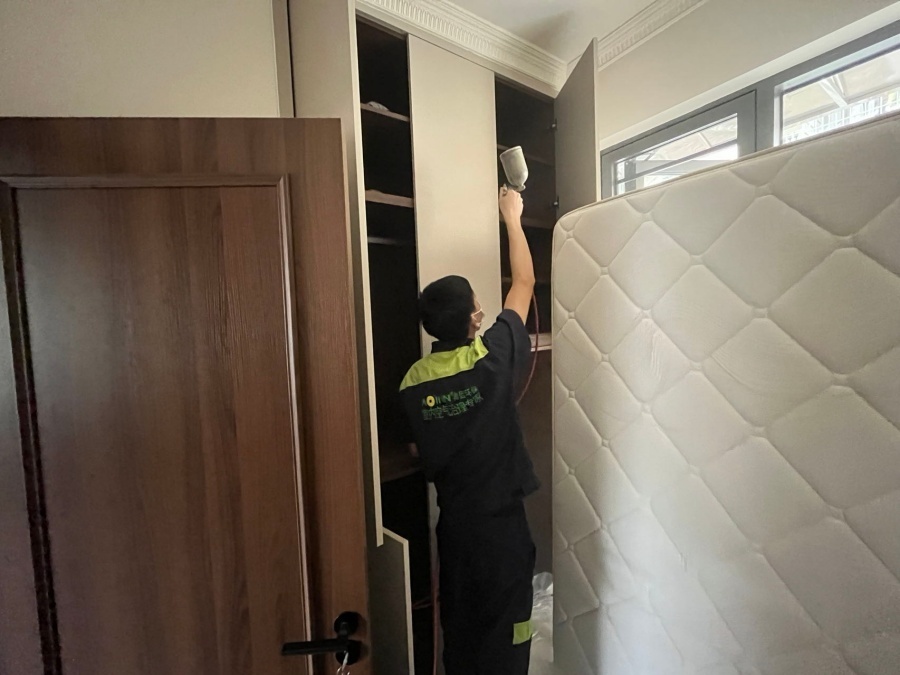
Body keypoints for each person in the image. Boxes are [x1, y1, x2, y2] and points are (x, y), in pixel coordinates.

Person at [399, 186, 539, 675]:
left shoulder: (412, 381)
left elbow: (418, 444)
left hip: (455, 529)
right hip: (502, 528)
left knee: (461, 627)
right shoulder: (493, 359)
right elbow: (524, 282)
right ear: (475, 318)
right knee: (510, 625)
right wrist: (512, 216)